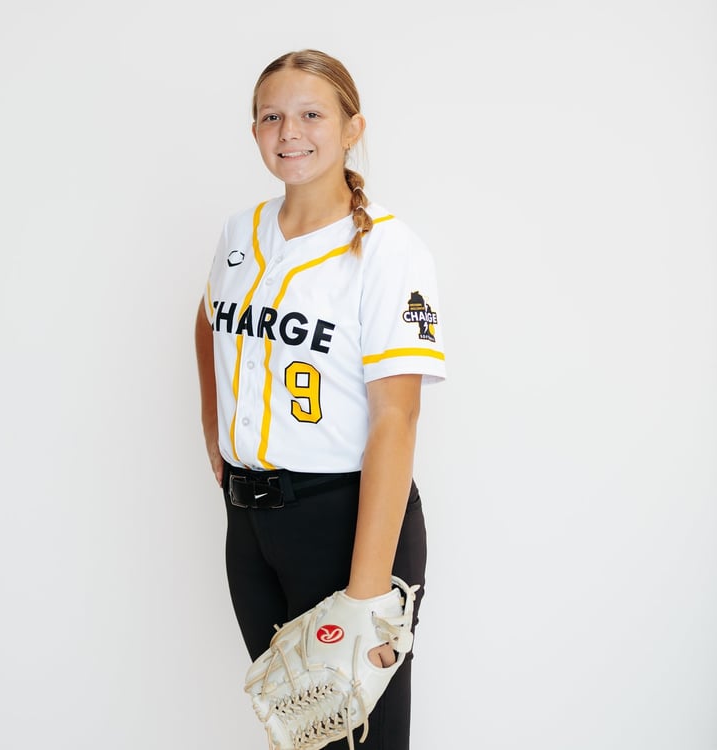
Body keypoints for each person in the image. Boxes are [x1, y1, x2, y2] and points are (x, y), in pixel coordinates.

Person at [194, 48, 446, 750]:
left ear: (352, 127)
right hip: (250, 525)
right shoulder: (240, 232)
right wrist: (216, 431)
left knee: (360, 738)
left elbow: (397, 419)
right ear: (254, 131)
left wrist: (366, 596)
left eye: (311, 114)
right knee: (300, 735)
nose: (289, 132)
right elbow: (208, 320)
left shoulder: (390, 252)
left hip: (344, 521)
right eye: (271, 117)